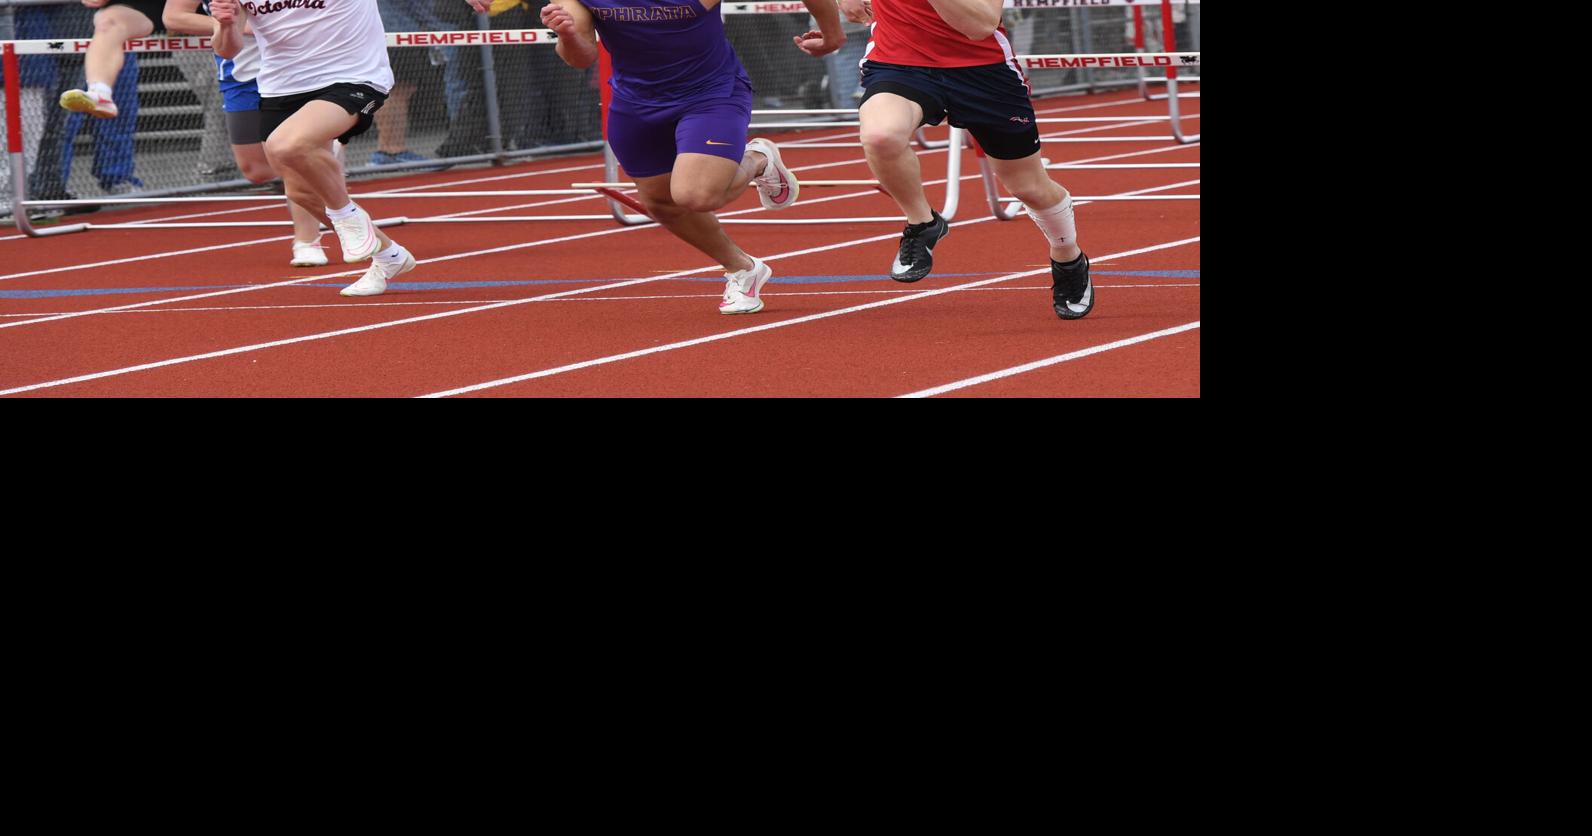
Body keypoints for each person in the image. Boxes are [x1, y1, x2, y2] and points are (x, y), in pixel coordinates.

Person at [469, 0, 845, 315]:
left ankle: (757, 159)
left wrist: (833, 34)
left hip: (710, 93)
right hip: (636, 102)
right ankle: (743, 269)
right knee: (659, 202)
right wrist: (567, 34)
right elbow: (580, 58)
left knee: (697, 195)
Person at [845, 0, 1093, 319]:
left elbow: (980, 26)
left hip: (983, 71)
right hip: (901, 61)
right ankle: (923, 223)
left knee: (1028, 187)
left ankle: (1067, 255)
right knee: (881, 136)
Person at [210, 0, 418, 298]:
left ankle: (348, 216)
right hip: (282, 87)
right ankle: (390, 256)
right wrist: (227, 24)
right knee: (300, 192)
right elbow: (226, 50)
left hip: (352, 75)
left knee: (289, 144)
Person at [164, 0, 331, 266]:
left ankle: (307, 239)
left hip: (296, 70)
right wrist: (234, 25)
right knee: (256, 169)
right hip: (242, 75)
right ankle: (330, 182)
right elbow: (174, 18)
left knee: (294, 158)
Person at [57, 0, 165, 120]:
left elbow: (176, 18)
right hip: (136, 10)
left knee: (177, 17)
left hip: (184, 10)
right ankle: (100, 93)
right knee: (107, 24)